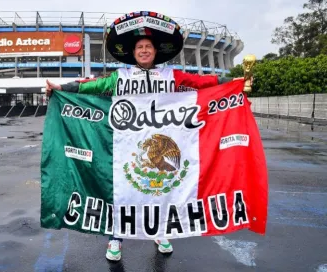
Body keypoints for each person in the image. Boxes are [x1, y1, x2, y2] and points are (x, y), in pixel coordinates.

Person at [45, 11, 247, 262]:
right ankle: (116, 237)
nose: (143, 50)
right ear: (133, 53)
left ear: (155, 52)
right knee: (121, 191)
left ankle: (160, 231)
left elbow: (200, 83)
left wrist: (232, 81)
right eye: (139, 47)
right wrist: (63, 88)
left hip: (163, 145)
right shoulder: (121, 77)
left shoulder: (171, 76)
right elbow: (92, 85)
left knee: (161, 191)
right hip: (125, 145)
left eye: (148, 47)